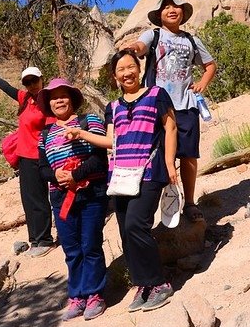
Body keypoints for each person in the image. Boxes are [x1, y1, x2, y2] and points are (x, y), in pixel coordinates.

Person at [67, 49, 178, 313]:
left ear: (139, 69)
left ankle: (160, 283)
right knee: (125, 233)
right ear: (115, 76)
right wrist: (81, 133)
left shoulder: (156, 95)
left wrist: (171, 162)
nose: (127, 73)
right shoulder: (113, 107)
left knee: (135, 225)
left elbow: (170, 127)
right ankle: (143, 285)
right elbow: (110, 141)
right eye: (121, 70)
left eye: (131, 67)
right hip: (119, 176)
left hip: (149, 171)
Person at [126, 0, 216, 223]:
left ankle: (190, 202)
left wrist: (202, 84)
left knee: (188, 156)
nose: (172, 10)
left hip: (185, 105)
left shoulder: (192, 40)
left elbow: (210, 65)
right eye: (166, 7)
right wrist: (134, 48)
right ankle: (163, 203)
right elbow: (140, 46)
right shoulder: (153, 35)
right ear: (159, 14)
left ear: (183, 13)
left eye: (176, 6)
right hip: (158, 106)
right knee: (158, 156)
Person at [36, 78, 109, 322]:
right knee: (71, 248)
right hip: (60, 196)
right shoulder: (45, 134)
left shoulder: (90, 122)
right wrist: (56, 175)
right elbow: (42, 168)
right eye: (53, 97)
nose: (59, 100)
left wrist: (75, 175)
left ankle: (95, 294)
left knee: (90, 244)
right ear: (48, 103)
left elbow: (100, 160)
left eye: (63, 95)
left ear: (72, 98)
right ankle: (77, 295)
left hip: (91, 193)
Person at [0, 66, 55, 257]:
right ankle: (34, 240)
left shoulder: (47, 102)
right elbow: (7, 89)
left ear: (41, 79)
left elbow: (52, 128)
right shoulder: (25, 99)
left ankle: (45, 239)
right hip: (24, 157)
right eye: (27, 82)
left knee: (39, 199)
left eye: (34, 81)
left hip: (39, 156)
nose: (32, 85)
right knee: (28, 200)